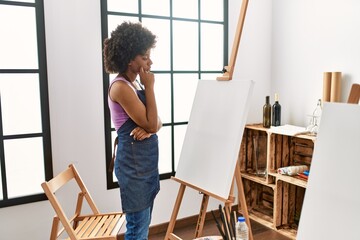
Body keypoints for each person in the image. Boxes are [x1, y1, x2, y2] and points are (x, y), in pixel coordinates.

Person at [103, 21, 162, 240]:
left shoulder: (133, 84)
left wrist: (150, 128)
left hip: (144, 164)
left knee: (142, 227)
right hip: (134, 166)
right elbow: (152, 122)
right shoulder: (120, 87)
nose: (150, 62)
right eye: (145, 57)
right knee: (137, 230)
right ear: (130, 59)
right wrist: (150, 87)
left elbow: (156, 122)